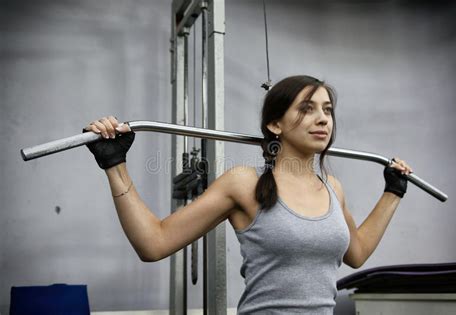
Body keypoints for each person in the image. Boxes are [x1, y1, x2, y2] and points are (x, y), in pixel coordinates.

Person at [84, 75, 412, 314]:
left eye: (327, 109)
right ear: (275, 124)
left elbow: (356, 254)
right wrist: (115, 165)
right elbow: (153, 243)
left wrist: (392, 193)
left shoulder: (332, 187)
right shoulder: (244, 183)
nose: (322, 118)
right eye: (307, 108)